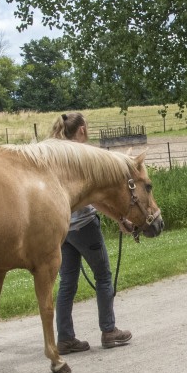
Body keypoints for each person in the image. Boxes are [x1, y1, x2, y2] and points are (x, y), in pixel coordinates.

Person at [49, 112, 130, 354]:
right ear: (82, 130)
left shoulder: (57, 155)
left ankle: (65, 338)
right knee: (103, 276)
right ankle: (109, 330)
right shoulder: (82, 156)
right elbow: (96, 198)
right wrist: (120, 218)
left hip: (64, 228)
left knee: (67, 284)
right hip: (84, 226)